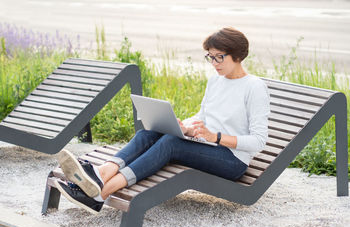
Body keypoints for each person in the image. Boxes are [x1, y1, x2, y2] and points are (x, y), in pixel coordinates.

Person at [54, 27, 270, 215]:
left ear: (238, 56)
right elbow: (203, 115)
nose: (214, 63)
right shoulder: (215, 81)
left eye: (219, 57)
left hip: (232, 160)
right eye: (210, 57)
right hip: (207, 146)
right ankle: (102, 174)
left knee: (170, 144)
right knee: (148, 133)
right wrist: (183, 126)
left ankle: (100, 192)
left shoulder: (254, 87)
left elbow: (259, 141)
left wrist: (217, 137)